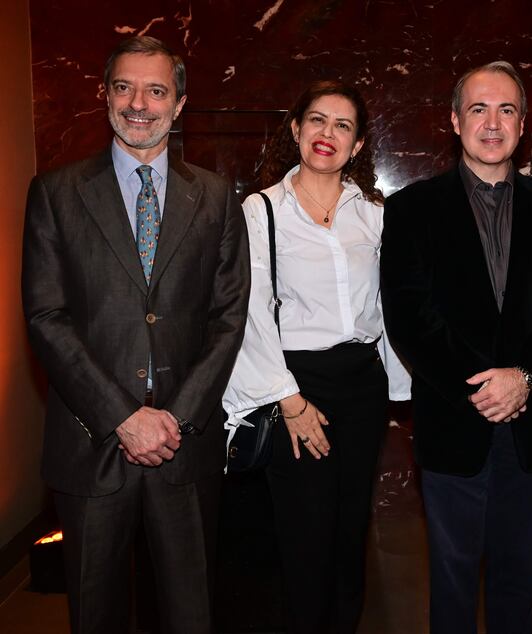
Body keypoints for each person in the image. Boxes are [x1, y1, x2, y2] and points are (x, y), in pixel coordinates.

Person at [21, 36, 250, 634]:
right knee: (95, 615)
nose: (139, 104)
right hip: (90, 444)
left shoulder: (218, 198)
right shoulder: (55, 193)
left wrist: (175, 417)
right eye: (124, 87)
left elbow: (229, 317)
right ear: (104, 96)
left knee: (190, 614)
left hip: (186, 444)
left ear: (179, 105)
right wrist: (125, 416)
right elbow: (47, 317)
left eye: (156, 90)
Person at [380, 61, 532, 634]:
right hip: (455, 420)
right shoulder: (411, 209)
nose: (492, 122)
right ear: (455, 120)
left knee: (517, 577)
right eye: (478, 108)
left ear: (522, 125)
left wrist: (526, 378)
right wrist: (481, 387)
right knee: (450, 577)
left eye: (506, 110)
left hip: (531, 425)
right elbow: (407, 315)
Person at [223, 80, 410, 634]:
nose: (327, 134)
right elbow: (250, 312)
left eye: (343, 125)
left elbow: (389, 305)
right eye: (318, 120)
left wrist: (398, 390)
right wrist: (290, 401)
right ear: (296, 129)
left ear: (356, 146)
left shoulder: (373, 215)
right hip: (293, 382)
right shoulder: (261, 211)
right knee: (304, 536)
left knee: (352, 530)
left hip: (362, 385)